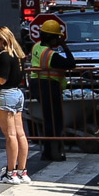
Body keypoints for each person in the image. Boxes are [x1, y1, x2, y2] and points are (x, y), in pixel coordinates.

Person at [28, 18, 76, 161]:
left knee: (48, 119)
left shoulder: (37, 46)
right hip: (48, 86)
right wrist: (65, 47)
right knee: (55, 121)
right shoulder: (51, 55)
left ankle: (48, 151)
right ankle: (52, 152)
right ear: (53, 38)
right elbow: (71, 64)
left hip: (37, 85)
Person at [0, 26, 32, 185]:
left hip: (6, 94)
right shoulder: (19, 55)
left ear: (3, 39)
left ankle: (10, 173)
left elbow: (2, 79)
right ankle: (22, 171)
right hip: (18, 93)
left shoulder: (4, 56)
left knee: (10, 136)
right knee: (20, 134)